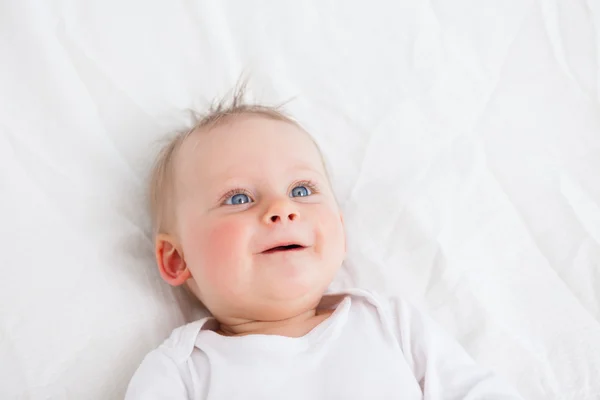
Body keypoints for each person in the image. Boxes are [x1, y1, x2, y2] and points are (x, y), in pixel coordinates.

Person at [125, 87, 523, 399]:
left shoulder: (391, 324)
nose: (281, 209)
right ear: (177, 259)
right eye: (239, 198)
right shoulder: (181, 370)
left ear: (339, 228)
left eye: (301, 190)